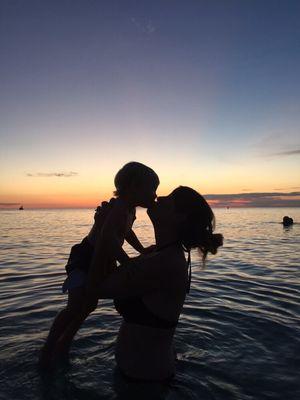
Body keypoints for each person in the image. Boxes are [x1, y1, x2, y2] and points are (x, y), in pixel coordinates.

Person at [86, 186, 223, 381]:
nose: (161, 197)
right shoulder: (158, 253)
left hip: (145, 382)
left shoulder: (164, 263)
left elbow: (94, 288)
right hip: (140, 376)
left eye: (171, 198)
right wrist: (110, 231)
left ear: (180, 217)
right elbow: (110, 276)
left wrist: (104, 228)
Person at [39, 162, 159, 367]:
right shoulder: (119, 207)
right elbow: (109, 237)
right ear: (133, 187)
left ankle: (64, 343)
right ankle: (48, 348)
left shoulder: (130, 210)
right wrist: (126, 261)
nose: (155, 195)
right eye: (152, 189)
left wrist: (140, 250)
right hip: (86, 256)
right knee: (75, 305)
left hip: (103, 257)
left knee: (88, 305)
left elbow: (126, 233)